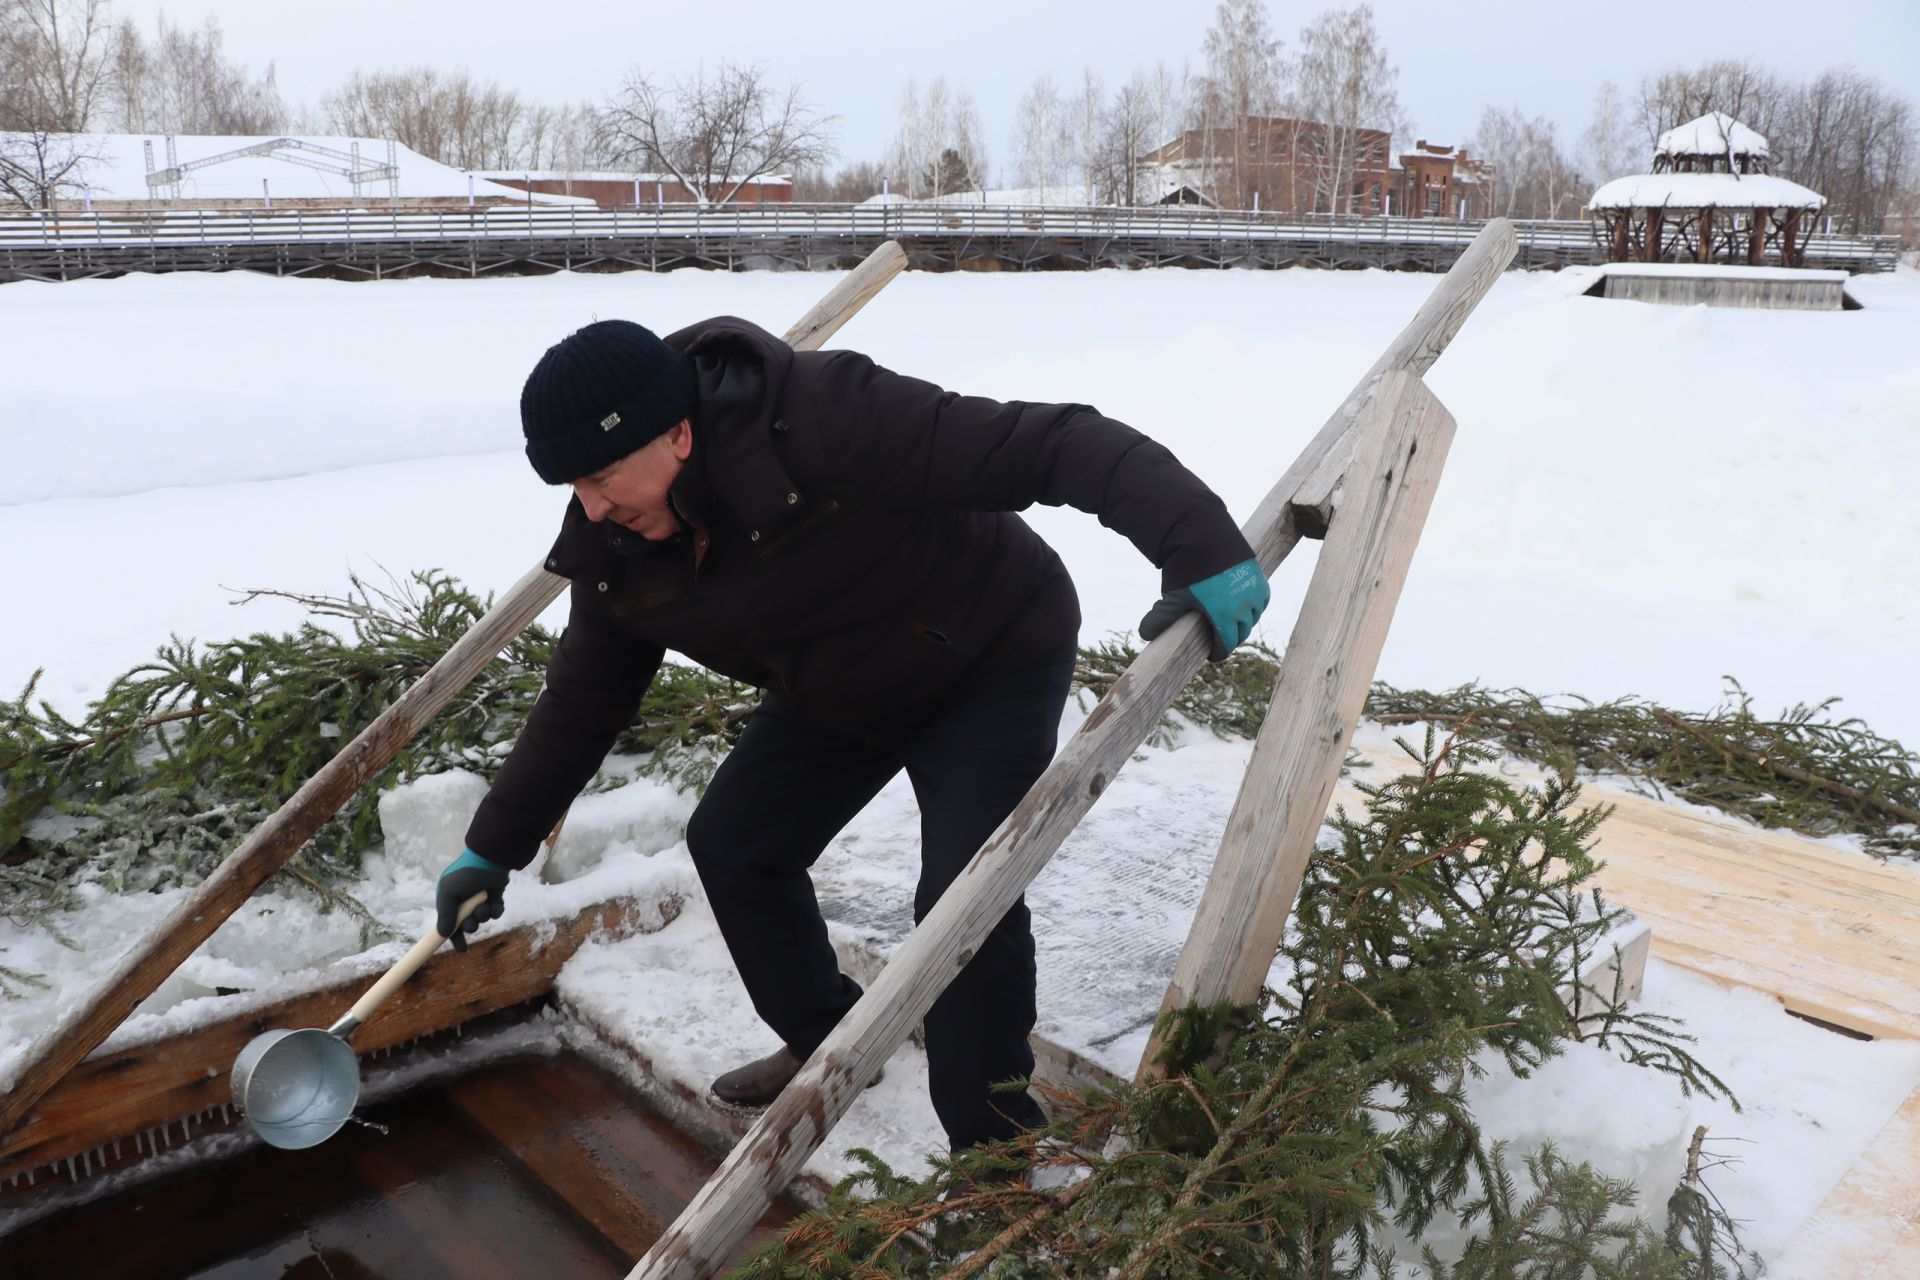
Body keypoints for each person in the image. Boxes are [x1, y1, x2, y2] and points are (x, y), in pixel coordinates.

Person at [435, 315, 1268, 1153]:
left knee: (961, 900)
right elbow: (583, 700)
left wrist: (1199, 544)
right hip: (840, 682)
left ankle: (998, 1146)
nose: (593, 506)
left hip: (989, 653)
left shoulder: (824, 415)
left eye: (605, 476)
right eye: (573, 486)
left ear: (680, 432)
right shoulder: (616, 550)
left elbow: (1052, 442)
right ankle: (830, 1039)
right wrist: (491, 849)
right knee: (734, 843)